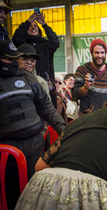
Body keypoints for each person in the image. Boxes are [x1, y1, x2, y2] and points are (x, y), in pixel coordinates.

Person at [0, 40, 66, 210]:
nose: (15, 62)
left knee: (37, 193)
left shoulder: (28, 77)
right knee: (11, 196)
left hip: (34, 144)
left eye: (16, 58)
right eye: (10, 59)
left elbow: (47, 108)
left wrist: (65, 130)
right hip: (6, 150)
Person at [72, 39, 107, 115]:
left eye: (102, 53)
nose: (99, 56)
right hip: (87, 118)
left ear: (105, 53)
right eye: (96, 53)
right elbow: (75, 95)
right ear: (92, 53)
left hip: (105, 117)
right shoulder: (82, 70)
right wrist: (86, 87)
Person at [12, 11, 59, 83]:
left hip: (44, 82)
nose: (33, 27)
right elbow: (16, 38)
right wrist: (28, 21)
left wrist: (44, 24)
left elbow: (55, 42)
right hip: (25, 80)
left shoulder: (45, 44)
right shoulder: (22, 44)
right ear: (26, 31)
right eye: (30, 26)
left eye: (35, 26)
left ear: (38, 30)